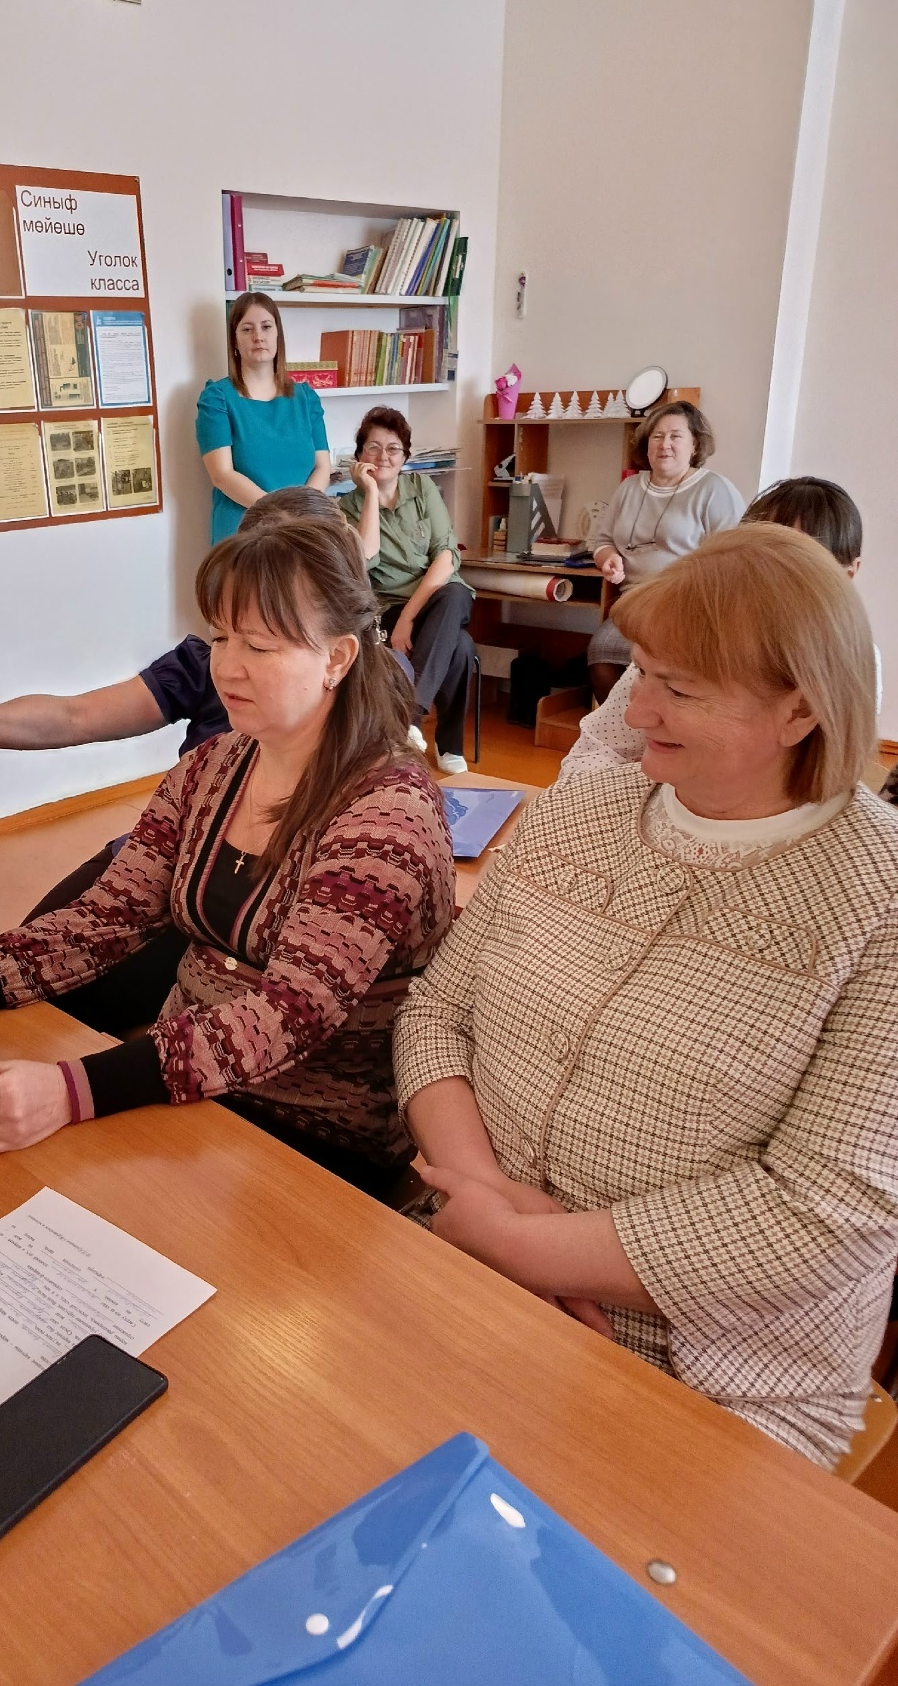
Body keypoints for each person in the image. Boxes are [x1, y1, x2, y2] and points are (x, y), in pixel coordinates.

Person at [394, 523, 898, 1469]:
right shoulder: (580, 811)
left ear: (800, 710)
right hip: (462, 1244)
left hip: (712, 1373)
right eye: (640, 674)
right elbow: (436, 1016)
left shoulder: (879, 900)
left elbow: (828, 1214)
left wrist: (528, 1251)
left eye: (679, 688)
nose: (634, 709)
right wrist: (487, 1208)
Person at [0, 516, 456, 1201]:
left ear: (336, 659)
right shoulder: (214, 767)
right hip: (188, 1085)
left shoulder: (385, 817)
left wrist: (73, 1090)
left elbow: (288, 1015)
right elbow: (102, 920)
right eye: (221, 637)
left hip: (316, 1135)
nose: (227, 667)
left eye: (260, 646)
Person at [564, 475, 876, 779]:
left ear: (847, 576)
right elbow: (598, 748)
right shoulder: (680, 645)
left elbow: (834, 774)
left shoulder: (852, 666)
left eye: (796, 569)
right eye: (757, 564)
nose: (771, 585)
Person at [338, 407, 474, 772]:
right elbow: (364, 559)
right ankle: (450, 744)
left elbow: (446, 555)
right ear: (359, 456)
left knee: (454, 595)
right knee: (460, 646)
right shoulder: (346, 508)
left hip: (437, 598)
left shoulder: (422, 488)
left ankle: (410, 716)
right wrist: (370, 493)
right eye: (373, 447)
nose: (383, 456)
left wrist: (408, 620)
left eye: (393, 448)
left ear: (405, 456)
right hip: (390, 606)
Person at [587, 401, 742, 702]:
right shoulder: (629, 487)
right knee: (601, 654)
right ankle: (626, 728)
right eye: (657, 436)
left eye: (675, 436)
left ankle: (658, 725)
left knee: (660, 670)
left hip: (687, 608)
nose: (664, 444)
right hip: (632, 604)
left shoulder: (714, 489)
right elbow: (602, 541)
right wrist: (608, 558)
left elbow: (733, 559)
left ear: (695, 444)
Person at [196, 292, 331, 544]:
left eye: (266, 327)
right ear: (234, 341)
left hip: (302, 531)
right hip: (242, 536)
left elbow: (322, 467)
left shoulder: (306, 398)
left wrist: (300, 515)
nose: (258, 336)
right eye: (247, 329)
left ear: (278, 334)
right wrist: (280, 516)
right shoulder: (217, 398)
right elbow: (221, 475)